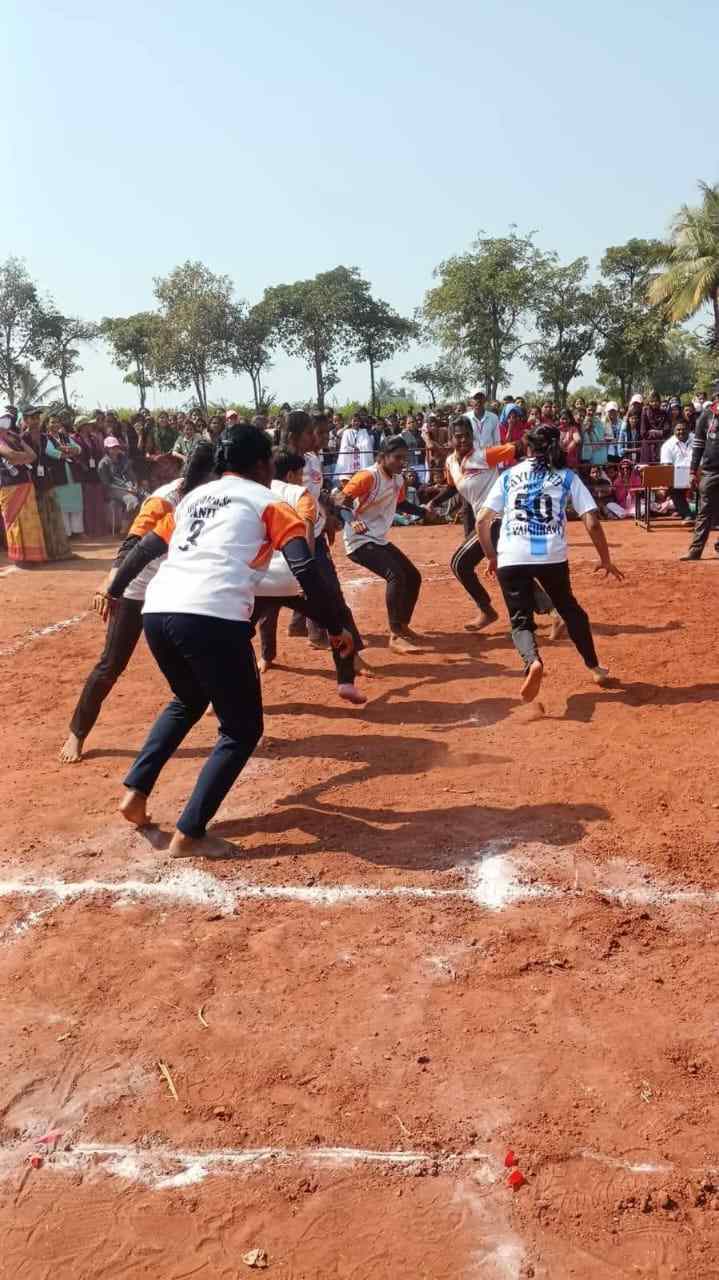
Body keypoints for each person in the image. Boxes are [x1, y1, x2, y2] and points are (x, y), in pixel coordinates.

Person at [105, 423, 353, 859]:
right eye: (270, 460)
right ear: (261, 464)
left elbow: (144, 549)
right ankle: (190, 833)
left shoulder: (193, 499)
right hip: (212, 614)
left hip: (158, 611)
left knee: (187, 699)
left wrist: (114, 587)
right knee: (241, 729)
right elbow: (305, 568)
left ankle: (136, 792)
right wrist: (336, 624)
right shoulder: (270, 503)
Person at [59, 449, 205, 764]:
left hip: (175, 586)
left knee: (205, 645)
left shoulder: (212, 495)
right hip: (136, 589)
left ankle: (223, 705)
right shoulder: (164, 500)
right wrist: (110, 583)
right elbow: (131, 545)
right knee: (111, 664)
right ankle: (77, 732)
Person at [476, 424, 623, 704]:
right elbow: (592, 521)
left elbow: (482, 520)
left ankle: (532, 661)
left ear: (528, 447)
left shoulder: (509, 476)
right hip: (551, 556)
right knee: (570, 610)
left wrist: (492, 556)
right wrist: (605, 559)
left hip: (512, 555)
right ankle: (595, 668)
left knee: (520, 620)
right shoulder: (567, 476)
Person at [250, 450, 366, 705]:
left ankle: (221, 695)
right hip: (293, 577)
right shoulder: (299, 494)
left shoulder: (253, 492)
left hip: (259, 580)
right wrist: (307, 574)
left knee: (233, 638)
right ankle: (345, 682)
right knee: (337, 621)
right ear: (292, 474)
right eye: (301, 473)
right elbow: (305, 534)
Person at [332, 435, 431, 654]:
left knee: (413, 576)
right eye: (397, 458)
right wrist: (352, 520)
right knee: (395, 575)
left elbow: (400, 503)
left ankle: (402, 625)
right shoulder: (368, 476)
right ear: (383, 456)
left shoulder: (397, 479)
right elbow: (340, 501)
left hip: (378, 539)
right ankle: (395, 635)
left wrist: (423, 512)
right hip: (359, 540)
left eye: (405, 458)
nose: (402, 462)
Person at [425, 415, 519, 629]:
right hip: (486, 520)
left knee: (460, 564)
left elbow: (518, 448)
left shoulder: (484, 455)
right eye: (458, 436)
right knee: (510, 569)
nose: (464, 440)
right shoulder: (450, 462)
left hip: (498, 519)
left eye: (467, 435)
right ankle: (552, 612)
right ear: (450, 438)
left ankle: (487, 610)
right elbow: (453, 487)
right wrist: (434, 502)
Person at [21, 409, 71, 559]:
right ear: (25, 420)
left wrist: (68, 450)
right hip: (30, 482)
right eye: (32, 418)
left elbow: (58, 451)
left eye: (37, 417)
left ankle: (58, 552)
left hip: (47, 481)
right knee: (38, 519)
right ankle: (42, 554)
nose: (36, 420)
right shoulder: (22, 438)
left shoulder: (45, 437)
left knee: (53, 516)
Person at [0, 411, 47, 563]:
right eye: (4, 419)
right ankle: (20, 558)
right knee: (14, 521)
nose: (7, 422)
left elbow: (33, 455)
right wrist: (21, 458)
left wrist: (19, 458)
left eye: (9, 419)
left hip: (25, 481)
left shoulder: (14, 436)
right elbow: (10, 454)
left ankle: (33, 556)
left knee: (30, 521)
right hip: (9, 484)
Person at [681, 380, 719, 560]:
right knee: (704, 512)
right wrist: (692, 471)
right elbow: (697, 447)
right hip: (710, 471)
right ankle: (695, 551)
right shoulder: (706, 416)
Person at [44, 412, 85, 537]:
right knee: (62, 505)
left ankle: (77, 531)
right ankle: (66, 533)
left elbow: (78, 449)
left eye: (57, 422)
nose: (55, 424)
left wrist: (66, 449)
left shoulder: (64, 436)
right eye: (52, 422)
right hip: (58, 474)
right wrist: (68, 451)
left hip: (72, 473)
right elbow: (52, 452)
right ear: (47, 425)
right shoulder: (45, 438)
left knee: (76, 502)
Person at [74, 414, 107, 536]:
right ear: (82, 426)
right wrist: (82, 464)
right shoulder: (74, 439)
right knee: (87, 503)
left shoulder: (94, 438)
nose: (91, 426)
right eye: (88, 424)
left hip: (95, 472)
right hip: (83, 474)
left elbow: (100, 453)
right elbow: (75, 456)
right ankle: (89, 529)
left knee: (98, 501)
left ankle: (99, 529)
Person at [98, 436, 143, 518]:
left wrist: (135, 485)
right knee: (132, 500)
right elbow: (107, 484)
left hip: (129, 487)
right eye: (112, 448)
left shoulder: (124, 459)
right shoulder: (103, 463)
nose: (115, 449)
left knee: (146, 497)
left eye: (116, 447)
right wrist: (126, 489)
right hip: (113, 489)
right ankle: (126, 524)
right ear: (106, 449)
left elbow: (131, 474)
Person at [660, 420, 694, 523]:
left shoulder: (697, 440)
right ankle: (687, 515)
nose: (681, 432)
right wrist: (685, 476)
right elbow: (667, 467)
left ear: (689, 429)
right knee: (674, 490)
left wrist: (693, 474)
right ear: (673, 431)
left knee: (709, 486)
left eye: (684, 429)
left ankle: (709, 516)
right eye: (678, 429)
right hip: (678, 475)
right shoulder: (667, 445)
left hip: (697, 473)